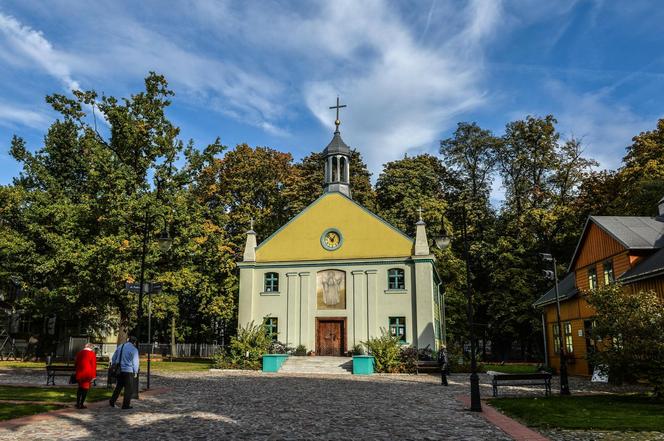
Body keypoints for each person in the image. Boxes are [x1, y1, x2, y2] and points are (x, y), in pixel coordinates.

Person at [109, 336, 139, 410]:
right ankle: (125, 405)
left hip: (119, 370)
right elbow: (135, 362)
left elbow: (113, 358)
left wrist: (115, 365)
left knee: (118, 387)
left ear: (128, 340)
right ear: (134, 342)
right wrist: (136, 371)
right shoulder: (134, 349)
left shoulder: (120, 346)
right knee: (128, 389)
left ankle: (112, 401)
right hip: (128, 371)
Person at [74, 343, 97, 409]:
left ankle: (78, 403)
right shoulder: (92, 354)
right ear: (91, 347)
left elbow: (76, 363)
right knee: (85, 389)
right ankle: (81, 404)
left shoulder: (80, 353)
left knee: (80, 388)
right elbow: (93, 366)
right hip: (87, 374)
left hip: (79, 373)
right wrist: (94, 376)